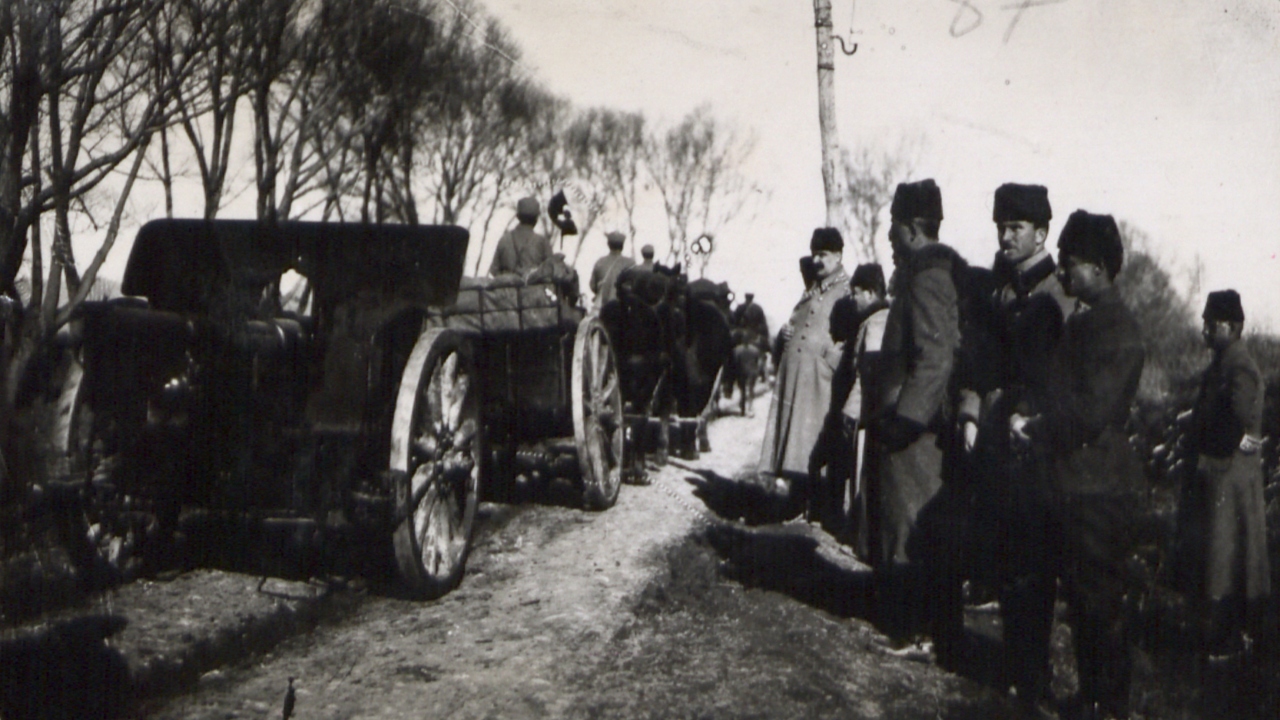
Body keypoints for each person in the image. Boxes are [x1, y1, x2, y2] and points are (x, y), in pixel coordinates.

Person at [1012, 210, 1146, 720]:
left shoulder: (1117, 329)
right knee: (1085, 605)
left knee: (1099, 607)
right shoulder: (1088, 320)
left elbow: (1091, 412)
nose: (1062, 274)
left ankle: (1108, 706)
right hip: (1074, 484)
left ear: (1097, 267)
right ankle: (1092, 700)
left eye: (1069, 264)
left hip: (1097, 492)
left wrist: (1035, 426)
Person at [958, 183, 1072, 712]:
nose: (1006, 236)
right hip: (1000, 439)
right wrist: (971, 413)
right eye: (1001, 227)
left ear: (1042, 234)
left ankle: (1034, 673)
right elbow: (978, 362)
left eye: (1017, 228)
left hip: (1045, 445)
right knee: (1007, 553)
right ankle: (1016, 661)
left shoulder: (1061, 295)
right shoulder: (1001, 292)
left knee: (1036, 559)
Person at [872, 179, 967, 666]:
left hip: (918, 434)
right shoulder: (923, 272)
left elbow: (934, 359)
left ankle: (922, 632)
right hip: (915, 425)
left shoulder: (927, 277)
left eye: (893, 227)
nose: (889, 236)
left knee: (914, 530)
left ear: (911, 227)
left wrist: (905, 422)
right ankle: (919, 626)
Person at [1181, 289, 1271, 656]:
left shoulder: (1240, 366)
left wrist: (1202, 437)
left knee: (1228, 559)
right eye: (1204, 320)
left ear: (1233, 327)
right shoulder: (1222, 363)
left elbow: (1234, 423)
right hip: (1220, 473)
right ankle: (1221, 633)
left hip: (1230, 477)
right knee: (1219, 556)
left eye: (1211, 322)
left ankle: (1229, 637)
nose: (1204, 328)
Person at [757, 228, 850, 518]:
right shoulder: (812, 289)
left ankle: (818, 507)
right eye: (814, 254)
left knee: (814, 441)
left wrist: (830, 359)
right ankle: (797, 501)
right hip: (798, 376)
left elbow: (851, 334)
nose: (817, 260)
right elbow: (799, 320)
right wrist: (786, 332)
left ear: (838, 255)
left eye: (822, 254)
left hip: (821, 380)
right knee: (796, 439)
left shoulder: (846, 290)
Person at [833, 263, 890, 558]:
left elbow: (868, 373)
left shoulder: (876, 322)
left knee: (863, 475)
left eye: (856, 294)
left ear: (869, 292)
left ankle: (862, 539)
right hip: (874, 411)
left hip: (868, 414)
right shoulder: (878, 319)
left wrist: (851, 410)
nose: (854, 300)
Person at [489, 196, 552, 277]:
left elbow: (494, 270)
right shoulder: (542, 242)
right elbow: (551, 272)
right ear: (536, 219)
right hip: (533, 289)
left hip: (506, 288)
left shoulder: (504, 239)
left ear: (518, 216)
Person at [589, 231, 635, 307]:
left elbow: (593, 286)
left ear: (608, 245)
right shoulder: (630, 263)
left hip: (603, 306)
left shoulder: (600, 262)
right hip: (622, 307)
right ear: (622, 246)